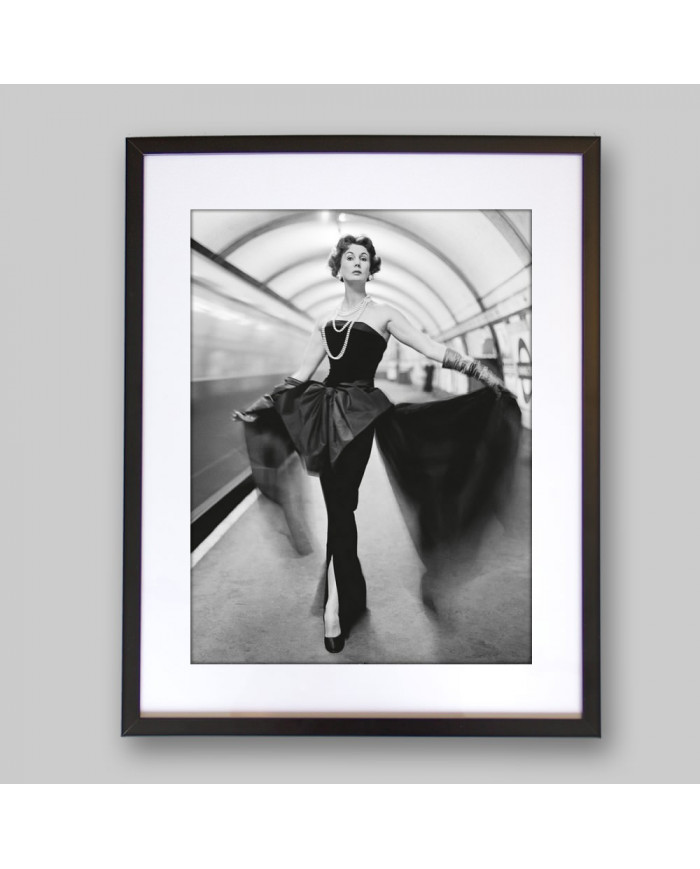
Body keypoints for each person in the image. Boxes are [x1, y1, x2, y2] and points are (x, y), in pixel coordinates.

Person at [234, 234, 519, 654]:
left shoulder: (385, 314)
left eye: (364, 258)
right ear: (338, 268)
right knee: (339, 509)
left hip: (362, 417)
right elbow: (300, 376)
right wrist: (262, 404)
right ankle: (344, 598)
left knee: (341, 504)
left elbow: (430, 347)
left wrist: (480, 371)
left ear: (371, 269)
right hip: (324, 415)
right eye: (349, 256)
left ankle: (335, 609)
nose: (356, 261)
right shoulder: (323, 323)